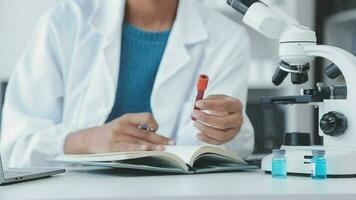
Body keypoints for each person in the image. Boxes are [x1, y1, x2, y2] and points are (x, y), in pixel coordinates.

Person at [1, 0, 254, 167]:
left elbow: (212, 150)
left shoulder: (227, 37)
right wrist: (84, 141)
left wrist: (226, 130)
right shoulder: (63, 22)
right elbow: (15, 146)